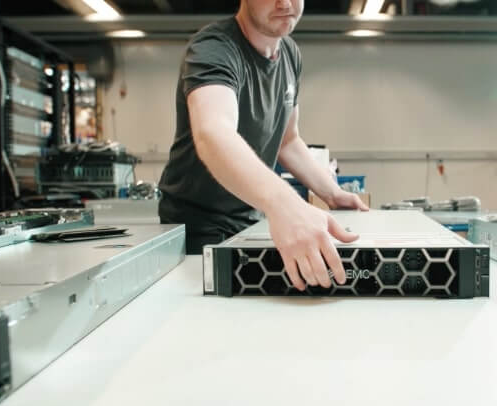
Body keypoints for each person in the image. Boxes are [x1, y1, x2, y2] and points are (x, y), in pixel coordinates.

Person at [158, 0, 369, 291]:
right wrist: (286, 205)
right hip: (197, 228)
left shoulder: (290, 54)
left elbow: (288, 140)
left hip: (252, 219)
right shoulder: (214, 48)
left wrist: (332, 193)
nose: (285, 3)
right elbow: (213, 133)